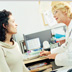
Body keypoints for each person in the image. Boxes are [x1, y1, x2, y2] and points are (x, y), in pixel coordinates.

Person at [40, 2, 72, 66]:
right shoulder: (68, 28)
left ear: (65, 11)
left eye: (56, 12)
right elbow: (65, 46)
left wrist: (56, 56)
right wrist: (50, 52)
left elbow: (70, 56)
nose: (54, 16)